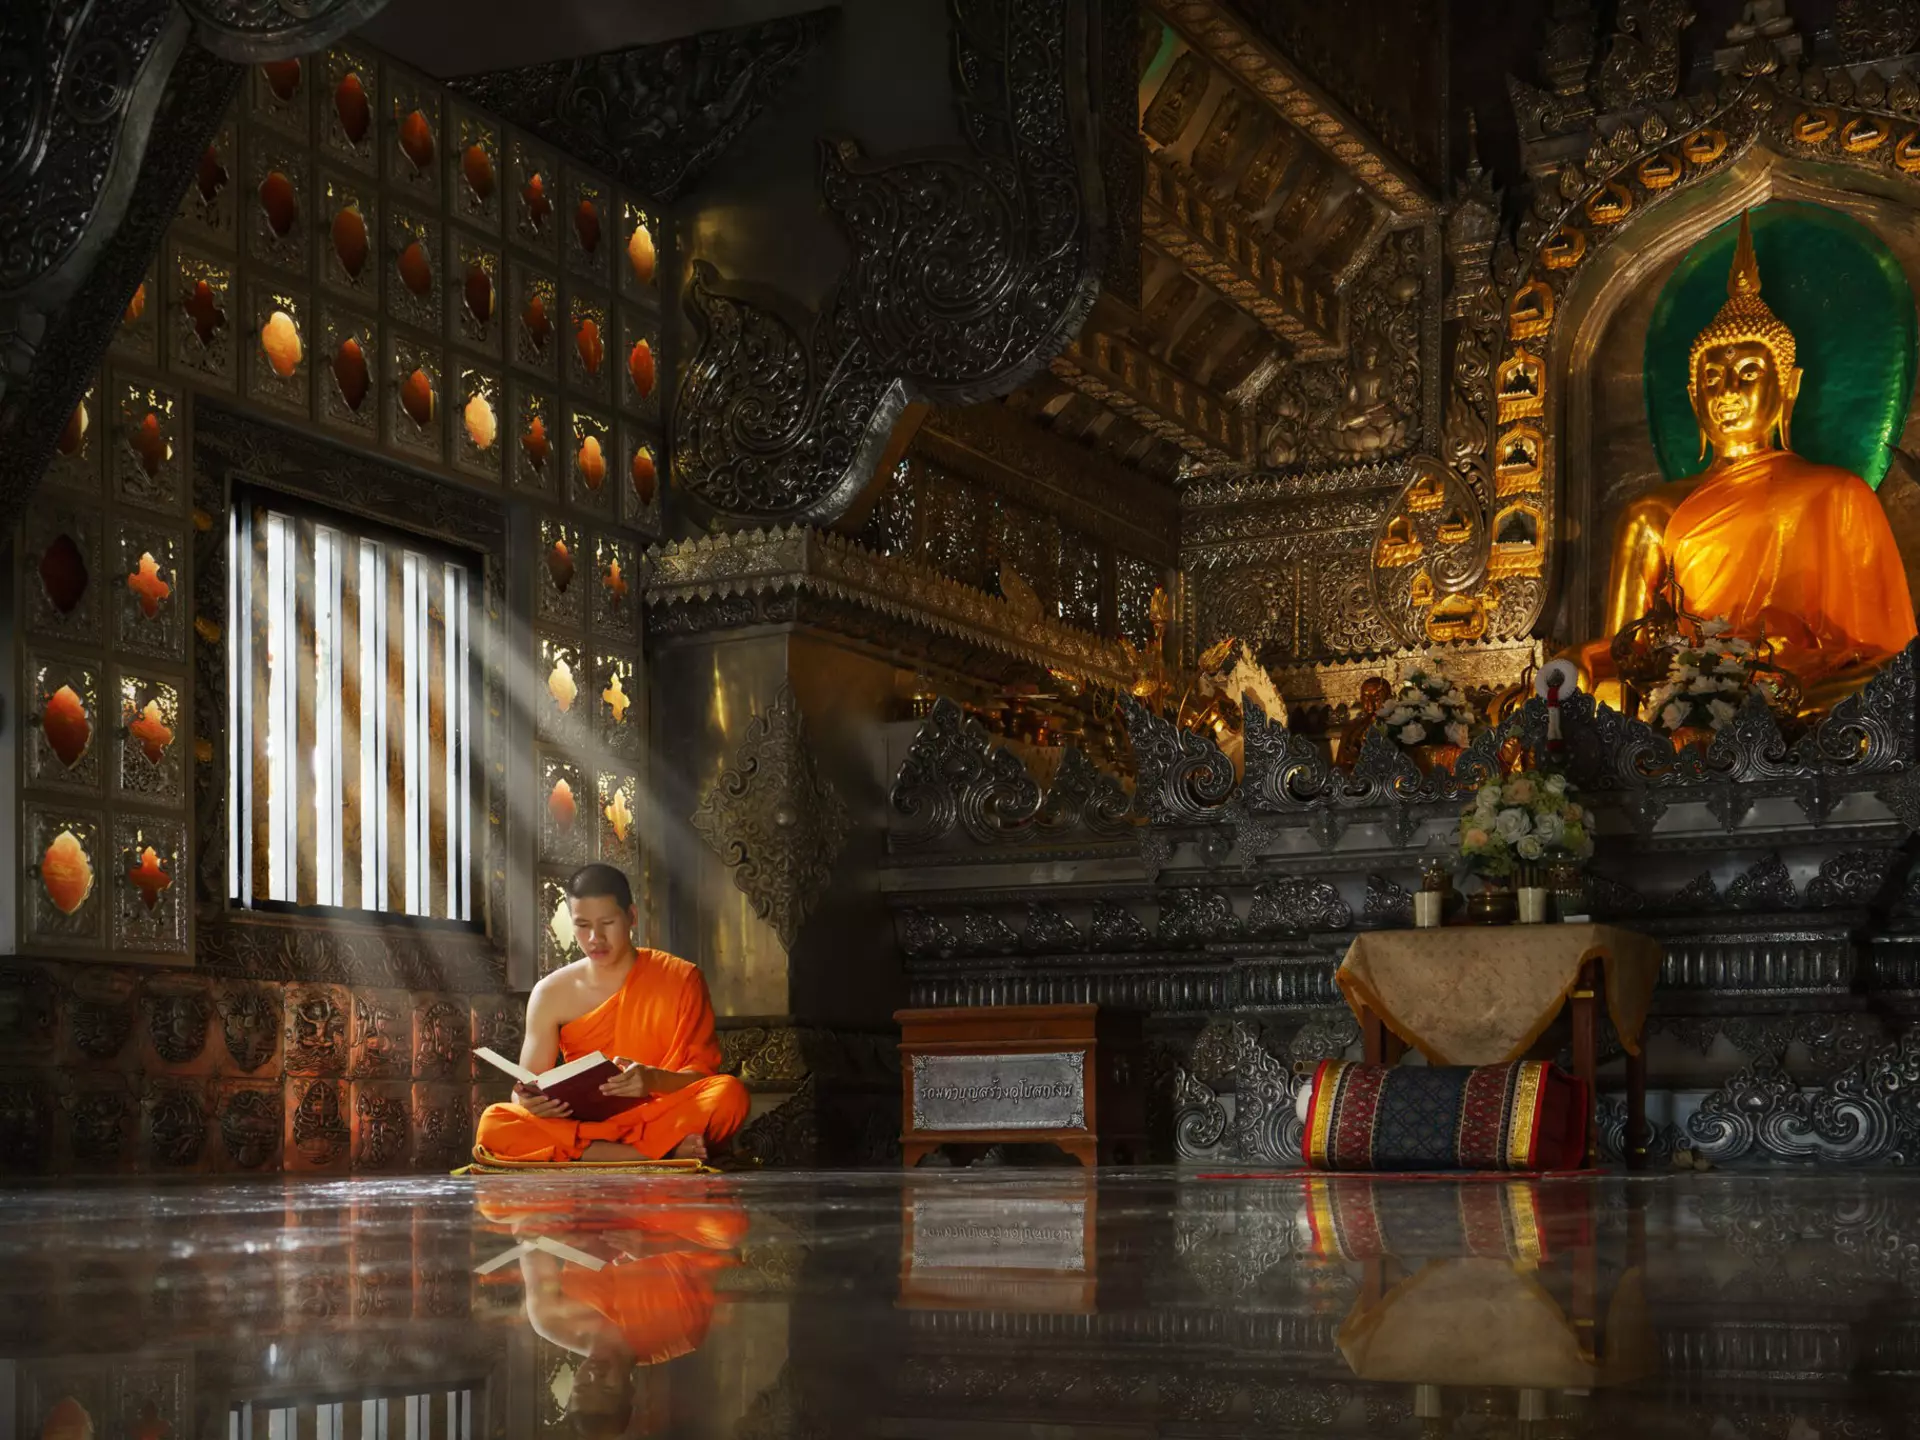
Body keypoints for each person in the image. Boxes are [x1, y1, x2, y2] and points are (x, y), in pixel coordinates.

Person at [475, 864, 749, 1163]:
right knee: (495, 1121)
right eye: (582, 925)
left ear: (631, 916)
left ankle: (623, 1153)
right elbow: (526, 1088)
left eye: (607, 922)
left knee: (729, 1094)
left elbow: (702, 1077)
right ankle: (652, 1154)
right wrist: (529, 1103)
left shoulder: (681, 978)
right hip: (584, 1125)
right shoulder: (550, 993)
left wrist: (654, 1080)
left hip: (659, 1116)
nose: (595, 937)